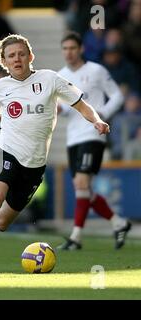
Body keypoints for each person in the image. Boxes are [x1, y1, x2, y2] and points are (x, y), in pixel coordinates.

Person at [0, 34, 111, 272]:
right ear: (4, 62)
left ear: (30, 56)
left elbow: (80, 104)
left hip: (35, 163)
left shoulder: (50, 79)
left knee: (3, 222)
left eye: (21, 54)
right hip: (5, 149)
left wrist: (96, 121)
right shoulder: (1, 87)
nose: (17, 59)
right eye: (11, 56)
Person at [57, 31, 131, 251]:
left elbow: (117, 95)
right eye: (65, 49)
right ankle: (119, 223)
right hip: (73, 138)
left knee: (81, 184)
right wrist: (58, 109)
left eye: (72, 48)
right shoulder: (59, 76)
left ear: (81, 49)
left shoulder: (96, 71)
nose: (68, 53)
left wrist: (102, 115)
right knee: (84, 189)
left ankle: (76, 237)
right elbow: (63, 108)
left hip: (92, 134)